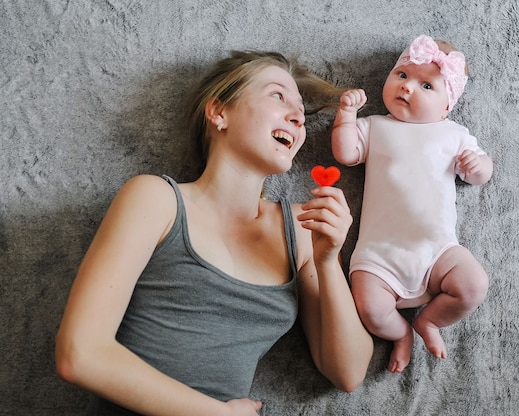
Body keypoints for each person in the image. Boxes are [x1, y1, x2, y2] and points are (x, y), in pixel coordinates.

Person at [55, 50, 373, 415]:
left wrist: (328, 260)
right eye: (277, 95)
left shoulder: (301, 229)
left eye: (300, 110)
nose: (298, 117)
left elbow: (348, 373)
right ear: (219, 112)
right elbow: (79, 354)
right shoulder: (156, 200)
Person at [332, 35, 492, 373]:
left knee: (473, 284)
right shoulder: (376, 126)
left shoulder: (454, 134)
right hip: (379, 254)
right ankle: (400, 331)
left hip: (437, 250)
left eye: (426, 86)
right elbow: (346, 154)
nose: (407, 88)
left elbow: (480, 172)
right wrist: (346, 116)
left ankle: (429, 322)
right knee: (370, 308)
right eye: (402, 75)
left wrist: (478, 168)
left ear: (448, 105)